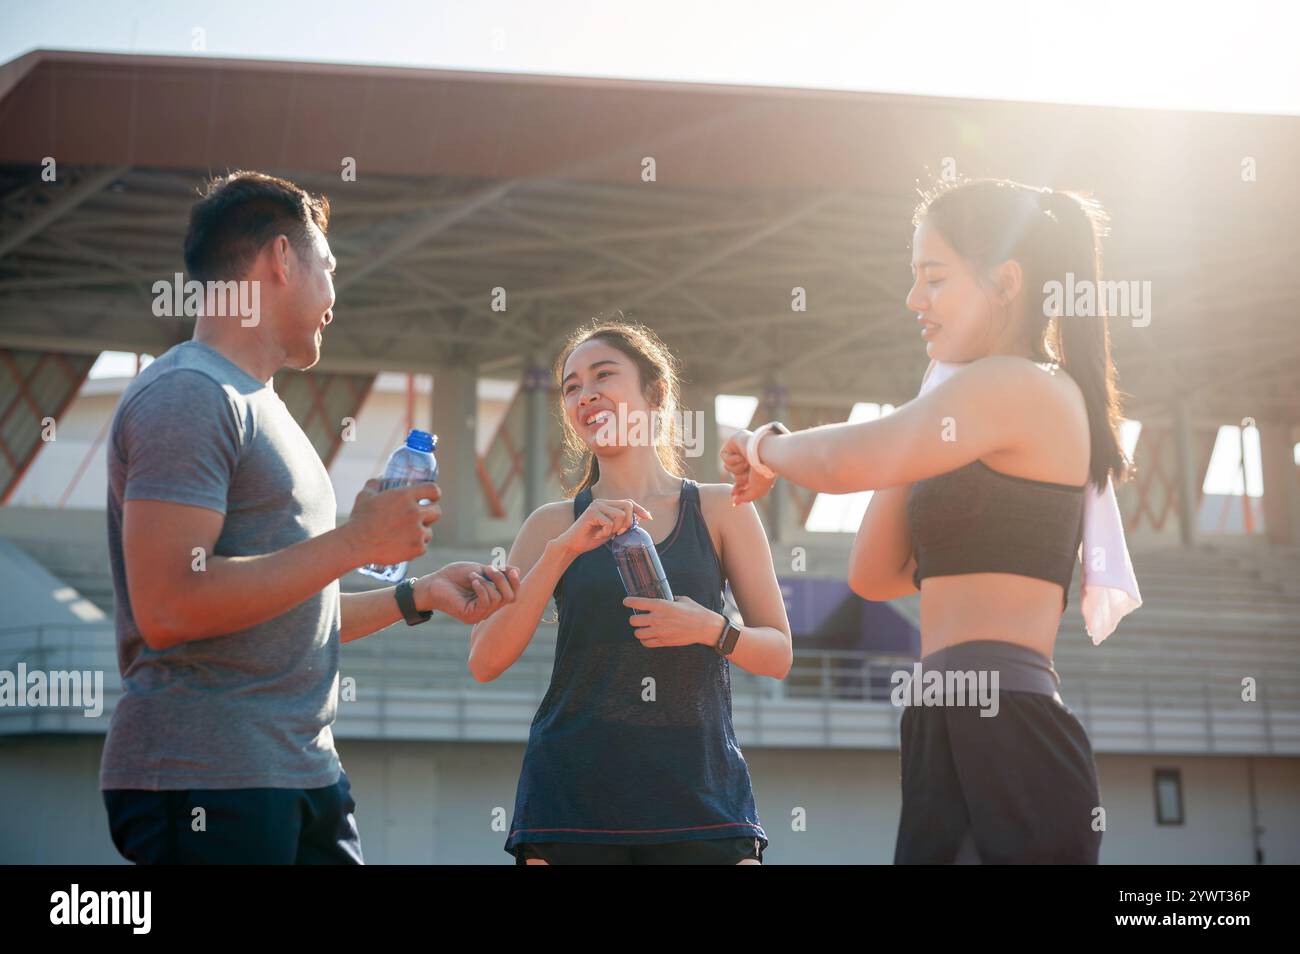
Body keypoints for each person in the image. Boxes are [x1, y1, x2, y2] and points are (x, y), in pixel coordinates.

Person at [100, 170, 520, 864]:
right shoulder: (189, 393)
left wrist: (416, 595)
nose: (334, 295)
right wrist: (355, 541)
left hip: (300, 773)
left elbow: (287, 610)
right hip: (211, 780)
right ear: (280, 261)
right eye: (328, 267)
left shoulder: (264, 407)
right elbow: (170, 605)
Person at [722, 179, 1129, 864]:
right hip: (940, 717)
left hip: (1008, 719)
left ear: (1005, 281)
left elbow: (849, 461)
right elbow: (874, 574)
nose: (915, 301)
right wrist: (926, 406)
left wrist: (765, 446)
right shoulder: (970, 399)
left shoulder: (1025, 385)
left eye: (933, 279)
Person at [470, 317, 792, 864]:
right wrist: (562, 552)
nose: (584, 394)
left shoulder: (721, 509)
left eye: (603, 375)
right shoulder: (550, 526)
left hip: (702, 794)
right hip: (572, 801)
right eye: (571, 386)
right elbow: (485, 660)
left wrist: (713, 629)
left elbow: (779, 654)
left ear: (657, 392)